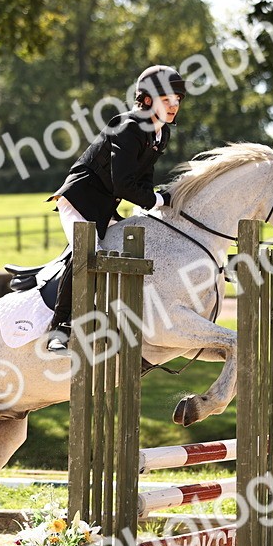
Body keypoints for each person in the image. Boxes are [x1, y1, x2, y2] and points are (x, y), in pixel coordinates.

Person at [44, 64, 187, 352]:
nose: (174, 106)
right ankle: (59, 328)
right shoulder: (128, 126)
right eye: (167, 99)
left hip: (106, 206)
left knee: (123, 249)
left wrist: (156, 198)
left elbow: (142, 178)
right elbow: (122, 183)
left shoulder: (161, 134)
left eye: (178, 100)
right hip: (80, 200)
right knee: (87, 253)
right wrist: (157, 200)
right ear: (147, 100)